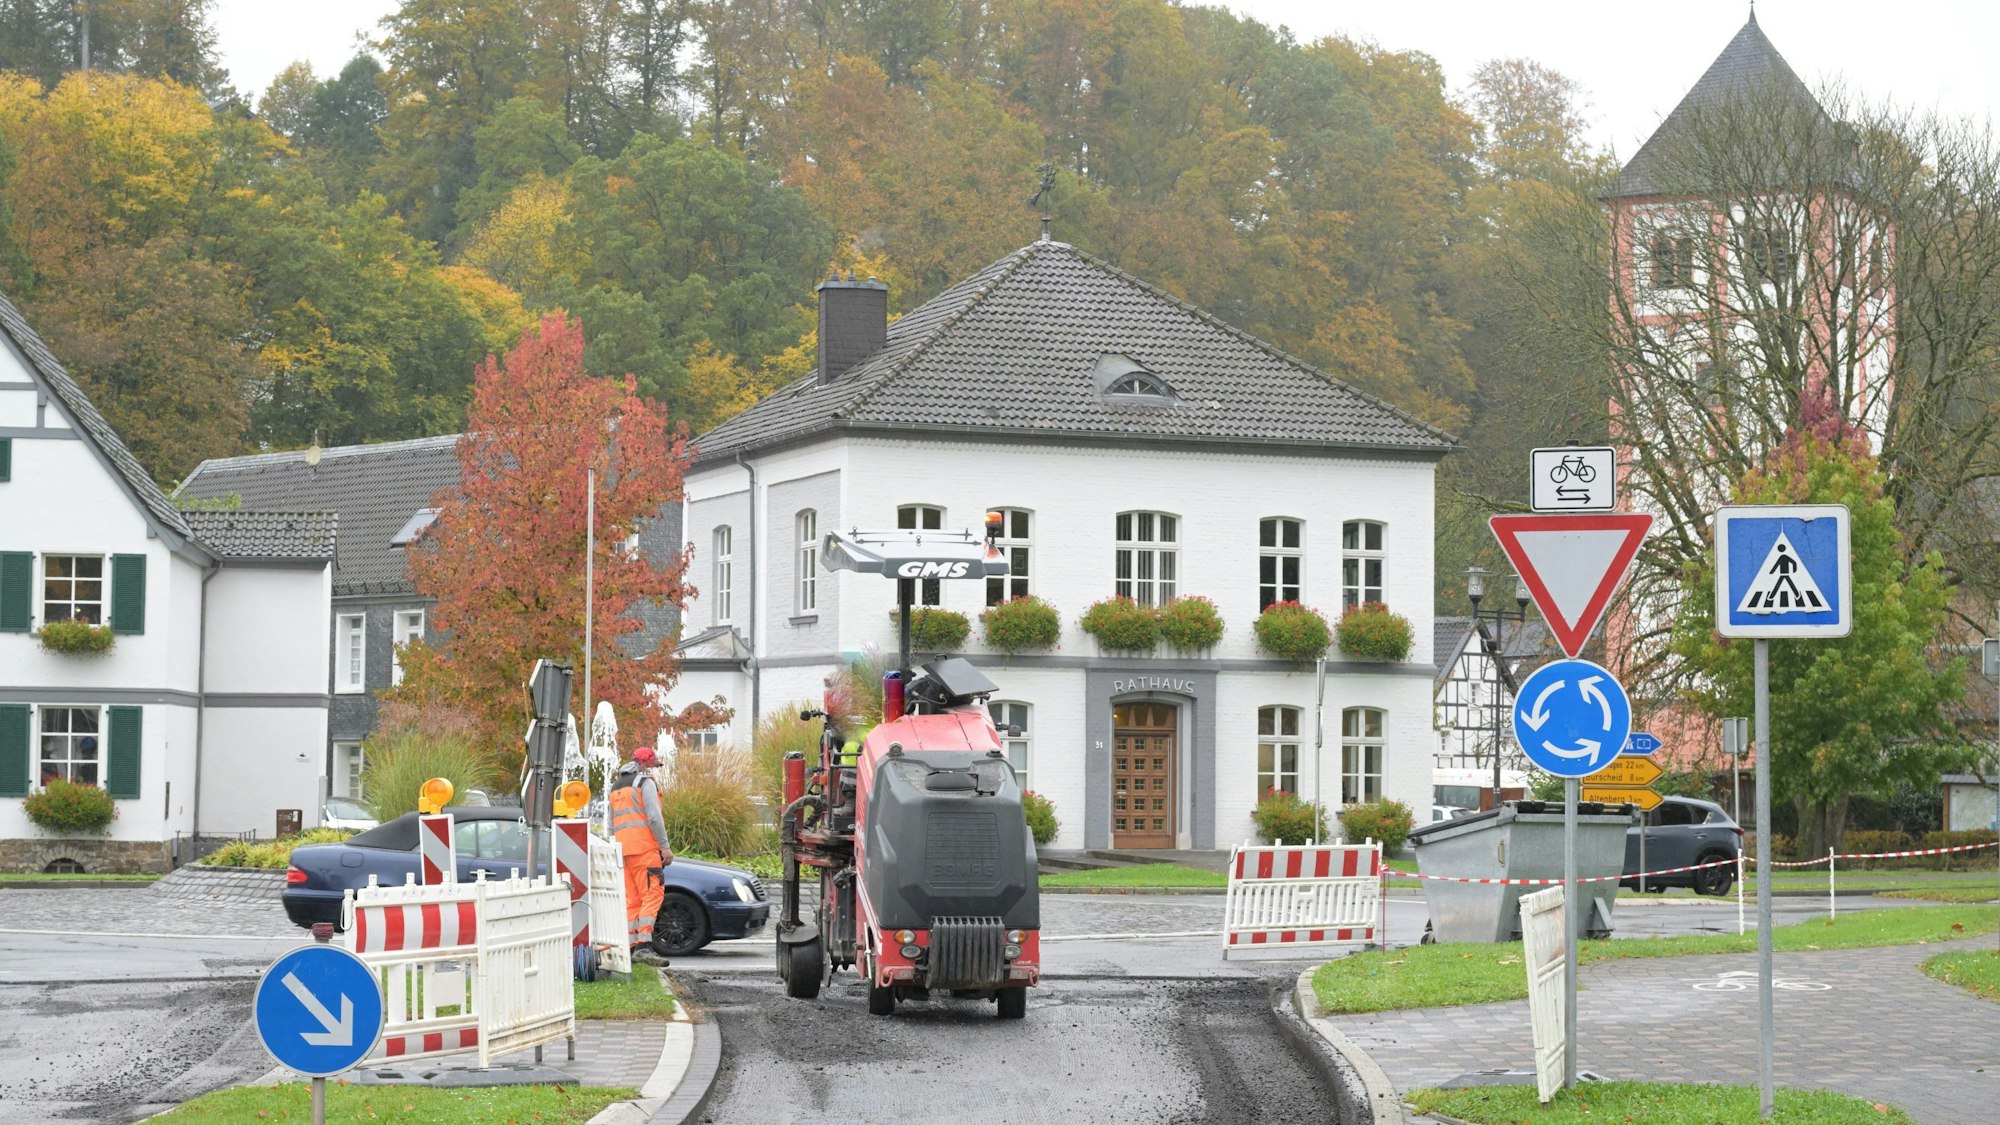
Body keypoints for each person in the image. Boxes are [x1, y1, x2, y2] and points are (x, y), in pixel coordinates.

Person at [609, 746, 674, 966]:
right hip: (645, 849)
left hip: (623, 851)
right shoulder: (645, 783)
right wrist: (664, 847)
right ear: (645, 765)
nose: (655, 771)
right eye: (654, 766)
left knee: (633, 899)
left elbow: (611, 824)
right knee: (652, 894)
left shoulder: (616, 787)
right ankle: (645, 946)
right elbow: (654, 818)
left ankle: (631, 947)